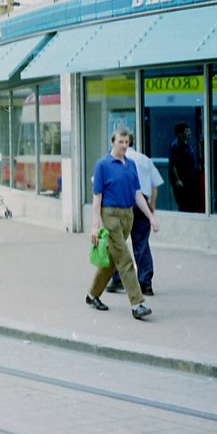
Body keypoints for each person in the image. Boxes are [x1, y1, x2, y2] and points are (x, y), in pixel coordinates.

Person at [85, 127, 157, 321]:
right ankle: (137, 304)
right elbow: (97, 196)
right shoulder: (102, 165)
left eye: (127, 142)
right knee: (125, 259)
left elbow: (137, 194)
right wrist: (95, 226)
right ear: (112, 142)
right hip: (110, 215)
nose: (124, 146)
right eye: (121, 142)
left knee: (113, 258)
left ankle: (92, 295)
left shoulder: (131, 164)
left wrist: (150, 217)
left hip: (128, 216)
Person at [106, 131, 163, 296]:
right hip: (142, 202)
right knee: (141, 243)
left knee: (118, 243)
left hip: (122, 203)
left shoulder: (114, 159)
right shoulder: (144, 159)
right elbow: (155, 184)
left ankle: (117, 278)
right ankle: (145, 282)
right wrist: (151, 205)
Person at [168, 122, 201, 212]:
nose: (189, 133)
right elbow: (173, 165)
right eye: (187, 131)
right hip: (183, 181)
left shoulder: (188, 144)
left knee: (193, 204)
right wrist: (177, 180)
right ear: (180, 133)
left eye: (189, 130)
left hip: (191, 179)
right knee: (184, 205)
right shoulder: (176, 146)